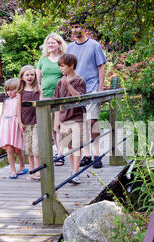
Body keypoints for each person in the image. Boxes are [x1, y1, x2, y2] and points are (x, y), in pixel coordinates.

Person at [66, 17, 107, 168]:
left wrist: (100, 89)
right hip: (75, 91)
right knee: (81, 125)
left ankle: (97, 155)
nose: (75, 29)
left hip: (91, 88)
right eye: (73, 27)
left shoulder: (94, 45)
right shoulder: (70, 48)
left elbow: (101, 67)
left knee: (92, 122)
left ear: (85, 29)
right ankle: (87, 155)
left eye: (78, 26)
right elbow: (67, 69)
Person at [54, 54, 86, 184]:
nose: (61, 69)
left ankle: (75, 172)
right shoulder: (59, 82)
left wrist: (68, 86)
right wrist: (57, 120)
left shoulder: (80, 81)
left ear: (71, 66)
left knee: (77, 146)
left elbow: (79, 97)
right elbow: (56, 101)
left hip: (77, 117)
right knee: (70, 147)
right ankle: (73, 170)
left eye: (63, 66)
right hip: (65, 118)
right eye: (59, 66)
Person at [36, 32, 67, 166]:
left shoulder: (63, 59)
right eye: (48, 43)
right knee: (51, 128)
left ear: (59, 44)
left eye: (52, 42)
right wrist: (40, 94)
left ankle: (60, 154)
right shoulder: (42, 60)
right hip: (45, 97)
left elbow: (66, 76)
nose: (50, 45)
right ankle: (57, 151)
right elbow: (38, 79)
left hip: (59, 98)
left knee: (59, 126)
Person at [16, 65, 42, 180]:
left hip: (37, 121)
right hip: (26, 122)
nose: (30, 77)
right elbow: (18, 108)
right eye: (27, 75)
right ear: (22, 77)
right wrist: (20, 122)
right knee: (29, 148)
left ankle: (38, 170)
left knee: (36, 147)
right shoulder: (20, 92)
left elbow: (42, 104)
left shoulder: (38, 89)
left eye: (32, 75)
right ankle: (31, 170)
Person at [0, 78, 27, 179]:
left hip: (15, 124)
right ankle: (13, 170)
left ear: (17, 89)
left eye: (12, 90)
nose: (9, 92)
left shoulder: (19, 100)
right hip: (6, 125)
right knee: (9, 150)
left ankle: (22, 165)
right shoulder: (5, 101)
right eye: (7, 90)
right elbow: (2, 114)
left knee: (17, 148)